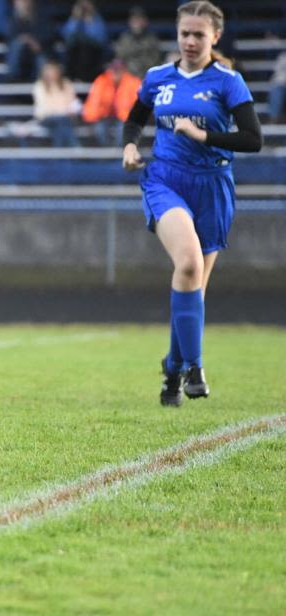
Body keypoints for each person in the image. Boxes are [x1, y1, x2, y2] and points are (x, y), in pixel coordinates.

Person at [121, 1, 262, 407]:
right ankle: (195, 368)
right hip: (166, 180)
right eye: (185, 33)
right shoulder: (158, 77)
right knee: (188, 264)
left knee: (193, 286)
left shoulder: (227, 81)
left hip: (213, 186)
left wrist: (205, 137)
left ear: (215, 37)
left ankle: (172, 370)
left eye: (199, 34)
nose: (190, 41)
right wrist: (130, 145)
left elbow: (253, 139)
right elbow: (135, 118)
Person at [82, 58, 141, 146]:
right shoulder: (101, 81)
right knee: (99, 129)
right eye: (113, 69)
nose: (115, 72)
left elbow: (138, 106)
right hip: (104, 116)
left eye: (118, 69)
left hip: (126, 118)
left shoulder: (133, 82)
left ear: (124, 70)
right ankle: (106, 156)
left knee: (123, 130)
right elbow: (93, 104)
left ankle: (118, 156)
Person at [33, 60, 82, 147]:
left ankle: (59, 152)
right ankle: (76, 150)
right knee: (62, 122)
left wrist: (68, 111)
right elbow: (43, 107)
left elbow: (73, 101)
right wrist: (61, 111)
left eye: (53, 71)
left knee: (61, 124)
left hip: (65, 117)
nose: (51, 73)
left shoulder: (66, 83)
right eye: (49, 71)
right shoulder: (39, 86)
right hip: (46, 117)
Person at [61, 0, 110, 82]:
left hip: (93, 55)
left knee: (85, 50)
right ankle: (76, 79)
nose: (85, 7)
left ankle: (84, 79)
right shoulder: (74, 19)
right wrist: (75, 19)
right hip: (75, 55)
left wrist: (90, 22)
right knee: (76, 50)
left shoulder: (98, 20)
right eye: (82, 4)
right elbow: (66, 36)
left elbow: (101, 39)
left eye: (87, 3)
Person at [5, 0, 54, 82]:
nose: (23, 4)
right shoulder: (13, 20)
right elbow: (11, 38)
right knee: (17, 46)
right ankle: (13, 78)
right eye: (20, 2)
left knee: (42, 59)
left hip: (37, 52)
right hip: (21, 53)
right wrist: (28, 40)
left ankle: (43, 83)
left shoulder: (41, 17)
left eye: (25, 1)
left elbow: (47, 36)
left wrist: (35, 43)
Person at [114, 6, 163, 77]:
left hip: (146, 77)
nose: (136, 23)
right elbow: (120, 59)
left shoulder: (152, 39)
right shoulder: (124, 39)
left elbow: (155, 62)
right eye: (134, 20)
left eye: (139, 19)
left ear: (145, 22)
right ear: (129, 22)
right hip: (128, 78)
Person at [269, 50, 286, 124]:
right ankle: (274, 119)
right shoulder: (283, 56)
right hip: (282, 83)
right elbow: (277, 73)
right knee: (276, 89)